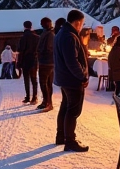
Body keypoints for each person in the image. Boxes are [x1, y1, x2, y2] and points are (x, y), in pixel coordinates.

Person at [55, 9, 90, 152]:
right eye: (82, 24)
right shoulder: (69, 36)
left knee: (65, 107)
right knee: (73, 111)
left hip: (64, 79)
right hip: (72, 80)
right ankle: (70, 141)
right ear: (77, 23)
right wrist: (82, 76)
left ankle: (61, 136)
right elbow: (72, 62)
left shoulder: (61, 33)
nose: (81, 27)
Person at [18, 21, 39, 105]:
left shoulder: (23, 37)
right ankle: (34, 97)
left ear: (24, 26)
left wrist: (19, 63)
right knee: (34, 79)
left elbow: (21, 51)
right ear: (31, 26)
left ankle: (27, 97)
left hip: (25, 61)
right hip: (34, 60)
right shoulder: (37, 37)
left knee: (26, 79)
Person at [36, 17, 55, 111]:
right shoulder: (48, 33)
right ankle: (47, 101)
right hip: (47, 61)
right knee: (47, 83)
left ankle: (47, 102)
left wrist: (40, 52)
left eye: (42, 23)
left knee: (44, 83)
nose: (41, 25)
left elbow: (48, 48)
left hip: (46, 62)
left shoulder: (50, 34)